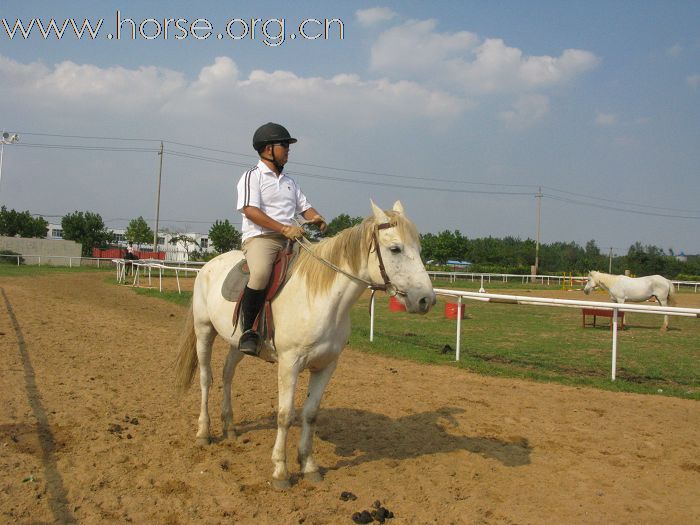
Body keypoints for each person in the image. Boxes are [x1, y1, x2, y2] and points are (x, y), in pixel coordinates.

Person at [236, 122, 327, 356]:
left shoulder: (290, 182)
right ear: (268, 149)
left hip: (292, 239)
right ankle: (248, 331)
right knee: (260, 273)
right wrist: (283, 229)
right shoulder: (252, 177)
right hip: (261, 238)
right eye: (284, 145)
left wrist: (315, 217)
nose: (288, 149)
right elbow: (249, 210)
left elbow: (304, 207)